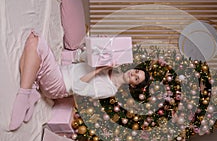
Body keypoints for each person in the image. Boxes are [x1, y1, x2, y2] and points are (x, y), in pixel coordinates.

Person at [9, 31, 150, 131]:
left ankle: (24, 94)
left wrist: (98, 70)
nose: (133, 74)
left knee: (35, 42)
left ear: (132, 85)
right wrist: (99, 48)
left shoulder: (110, 89)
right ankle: (33, 89)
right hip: (60, 71)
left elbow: (77, 88)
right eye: (136, 71)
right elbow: (80, 58)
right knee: (32, 51)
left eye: (136, 78)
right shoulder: (115, 64)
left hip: (61, 86)